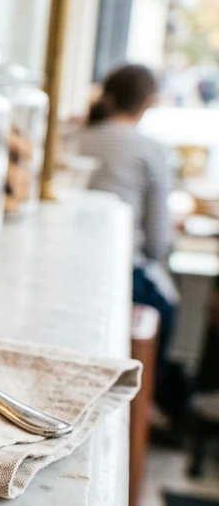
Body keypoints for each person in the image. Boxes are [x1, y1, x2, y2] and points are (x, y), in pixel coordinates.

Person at [74, 64, 181, 419]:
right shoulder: (152, 149)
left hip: (75, 266)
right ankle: (143, 406)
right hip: (121, 273)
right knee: (167, 306)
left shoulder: (76, 136)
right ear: (147, 103)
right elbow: (157, 241)